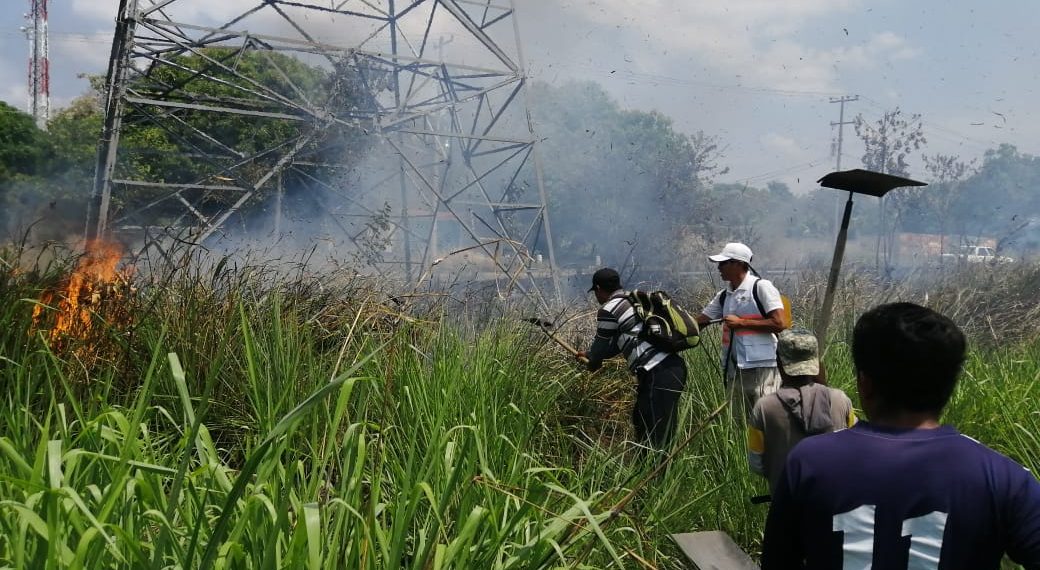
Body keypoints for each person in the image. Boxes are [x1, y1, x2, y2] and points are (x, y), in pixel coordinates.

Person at [762, 303, 1040, 569]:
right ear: (950, 383)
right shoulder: (1003, 478)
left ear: (865, 383)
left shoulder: (809, 462)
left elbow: (777, 562)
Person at [576, 267, 687, 450]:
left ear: (598, 288)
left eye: (595, 293)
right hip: (671, 368)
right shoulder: (632, 301)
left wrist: (593, 361)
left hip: (657, 372)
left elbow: (600, 347)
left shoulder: (609, 309)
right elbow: (617, 344)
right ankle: (654, 473)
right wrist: (591, 355)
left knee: (655, 437)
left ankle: (657, 476)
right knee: (644, 422)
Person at [747, 329, 856, 495]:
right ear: (816, 362)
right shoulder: (840, 400)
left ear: (779, 364)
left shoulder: (764, 408)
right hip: (836, 505)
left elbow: (756, 464)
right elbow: (857, 448)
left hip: (786, 505)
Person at [696, 242, 788, 418]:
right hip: (735, 369)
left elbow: (780, 323)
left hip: (763, 369)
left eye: (723, 263)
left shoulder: (761, 287)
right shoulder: (724, 295)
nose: (719, 268)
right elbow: (701, 321)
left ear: (738, 263)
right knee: (739, 424)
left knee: (766, 420)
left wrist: (741, 323)